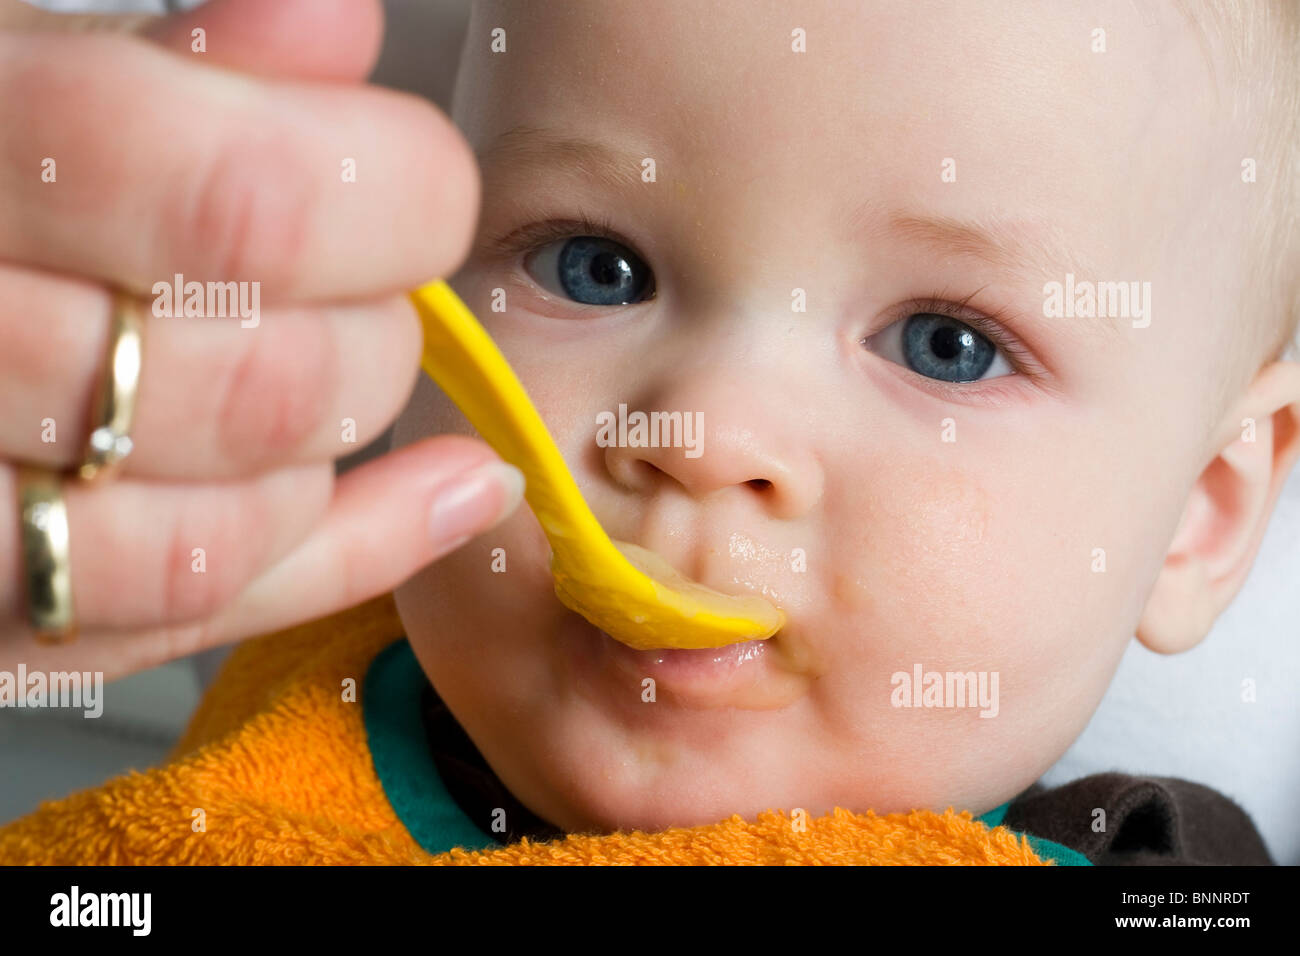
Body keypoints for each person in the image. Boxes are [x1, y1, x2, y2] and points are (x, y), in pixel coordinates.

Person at [2, 0, 1296, 864]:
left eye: (944, 345)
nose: (701, 433)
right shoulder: (281, 607)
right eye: (593, 267)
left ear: (1202, 514)